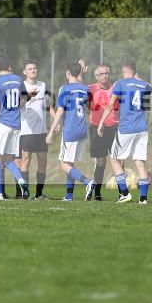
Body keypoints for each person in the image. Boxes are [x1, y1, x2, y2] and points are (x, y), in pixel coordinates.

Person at [98, 61, 152, 204]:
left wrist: (102, 122)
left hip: (127, 128)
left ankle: (124, 193)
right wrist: (137, 78)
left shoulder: (120, 83)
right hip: (142, 129)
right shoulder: (143, 85)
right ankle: (143, 198)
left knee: (114, 159)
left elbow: (110, 105)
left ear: (123, 72)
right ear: (135, 72)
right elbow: (151, 87)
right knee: (140, 163)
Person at [0, 54, 32, 200]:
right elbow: (24, 98)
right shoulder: (18, 79)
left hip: (1, 124)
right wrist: (16, 106)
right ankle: (21, 180)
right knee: (9, 159)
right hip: (16, 124)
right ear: (9, 65)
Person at [46, 62, 94, 202]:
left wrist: (50, 133)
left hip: (71, 130)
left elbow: (60, 111)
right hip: (82, 131)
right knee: (70, 163)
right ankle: (69, 196)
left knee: (64, 165)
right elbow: (91, 108)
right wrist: (82, 75)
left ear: (67, 72)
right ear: (79, 73)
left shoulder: (64, 89)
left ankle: (87, 182)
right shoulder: (85, 88)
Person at [19, 59, 56, 200]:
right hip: (27, 130)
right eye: (29, 69)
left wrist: (55, 119)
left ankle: (39, 194)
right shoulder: (22, 86)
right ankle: (25, 193)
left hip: (41, 132)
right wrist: (28, 96)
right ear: (25, 71)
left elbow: (47, 105)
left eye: (34, 68)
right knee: (26, 161)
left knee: (43, 162)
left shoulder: (42, 85)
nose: (33, 70)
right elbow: (18, 106)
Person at [88, 62, 118, 201]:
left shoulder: (116, 88)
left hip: (114, 128)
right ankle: (97, 192)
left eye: (107, 73)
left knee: (117, 161)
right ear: (96, 76)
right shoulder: (90, 89)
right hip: (97, 129)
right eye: (102, 74)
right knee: (101, 162)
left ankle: (122, 193)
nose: (105, 76)